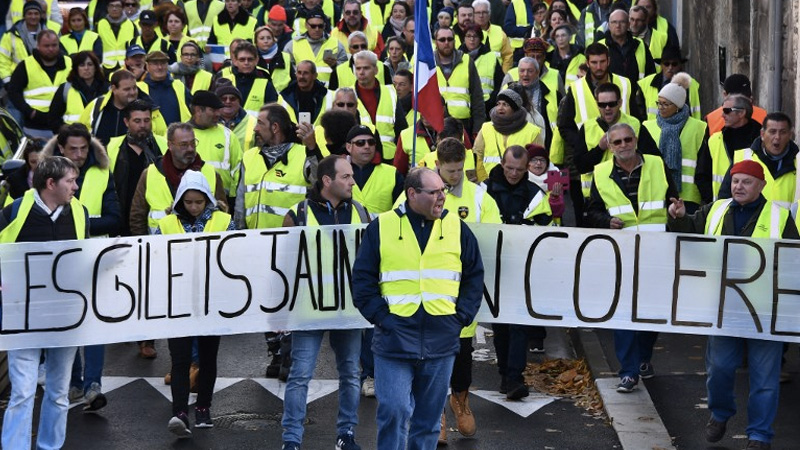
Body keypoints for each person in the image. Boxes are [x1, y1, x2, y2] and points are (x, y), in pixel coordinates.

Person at [667, 159, 798, 450]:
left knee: (765, 377)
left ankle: (759, 435)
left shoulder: (779, 217)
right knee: (720, 369)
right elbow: (688, 234)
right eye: (735, 180)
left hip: (765, 311)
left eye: (746, 182)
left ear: (761, 186)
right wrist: (677, 217)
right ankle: (721, 412)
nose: (738, 186)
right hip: (724, 307)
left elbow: (792, 261)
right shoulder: (715, 209)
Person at [352, 166, 484, 450]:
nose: (442, 197)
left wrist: (459, 318)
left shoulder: (457, 228)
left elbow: (474, 276)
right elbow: (362, 280)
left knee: (428, 422)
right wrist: (383, 319)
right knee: (394, 411)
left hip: (441, 341)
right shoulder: (383, 226)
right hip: (394, 341)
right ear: (412, 194)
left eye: (443, 191)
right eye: (434, 192)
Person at [280, 155, 369, 450]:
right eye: (346, 177)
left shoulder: (361, 211)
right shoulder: (298, 214)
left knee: (350, 375)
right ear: (327, 181)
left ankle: (346, 435)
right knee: (300, 375)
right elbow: (283, 265)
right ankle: (291, 441)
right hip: (310, 310)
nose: (353, 181)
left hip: (349, 311)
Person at [0, 156, 88, 450]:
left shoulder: (80, 213)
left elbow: (85, 256)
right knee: (22, 392)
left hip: (64, 316)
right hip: (23, 316)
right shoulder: (14, 212)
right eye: (70, 181)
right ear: (51, 184)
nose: (76, 186)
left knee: (58, 392)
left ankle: (50, 446)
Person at [584, 123, 677, 393]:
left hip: (655, 253)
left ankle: (643, 358)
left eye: (627, 140)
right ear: (610, 146)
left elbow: (673, 198)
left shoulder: (657, 165)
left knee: (651, 312)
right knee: (623, 313)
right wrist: (606, 221)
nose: (623, 145)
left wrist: (675, 209)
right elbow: (593, 211)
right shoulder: (601, 173)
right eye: (617, 142)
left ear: (635, 140)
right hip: (620, 254)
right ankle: (628, 371)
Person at [129, 122, 227, 358]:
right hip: (161, 254)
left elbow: (223, 213)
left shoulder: (210, 173)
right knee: (156, 302)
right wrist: (143, 249)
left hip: (200, 260)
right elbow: (138, 214)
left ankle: (192, 363)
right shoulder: (150, 174)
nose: (190, 148)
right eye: (183, 144)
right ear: (170, 145)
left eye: (193, 143)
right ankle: (147, 339)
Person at [428, 137, 500, 444]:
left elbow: (496, 234)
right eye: (449, 170)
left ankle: (460, 399)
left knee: (461, 355)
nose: (454, 176)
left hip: (463, 291)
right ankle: (436, 414)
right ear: (437, 166)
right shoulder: (420, 193)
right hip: (429, 291)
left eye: (459, 170)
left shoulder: (480, 197)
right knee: (431, 357)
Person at [155, 170, 234, 438]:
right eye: (188, 202)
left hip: (212, 301)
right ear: (180, 201)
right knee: (179, 359)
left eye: (198, 202)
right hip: (177, 302)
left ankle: (203, 407)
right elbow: (153, 258)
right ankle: (179, 412)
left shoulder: (225, 221)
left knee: (208, 357)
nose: (193, 207)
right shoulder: (165, 224)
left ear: (208, 199)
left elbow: (237, 255)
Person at [481, 144, 552, 397]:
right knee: (500, 325)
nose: (513, 174)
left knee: (519, 323)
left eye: (519, 170)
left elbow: (546, 230)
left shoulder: (535, 194)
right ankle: (505, 374)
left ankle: (514, 377)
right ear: (502, 164)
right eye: (509, 168)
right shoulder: (484, 191)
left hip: (521, 267)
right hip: (492, 267)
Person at [558, 42, 639, 225]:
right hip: (587, 163)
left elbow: (636, 118)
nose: (599, 67)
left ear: (609, 61)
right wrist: (582, 142)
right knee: (586, 220)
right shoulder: (577, 89)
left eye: (602, 62)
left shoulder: (624, 84)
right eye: (594, 63)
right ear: (587, 63)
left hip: (624, 159)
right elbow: (565, 125)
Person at [638, 72, 710, 212]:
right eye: (659, 103)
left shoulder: (699, 128)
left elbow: (704, 165)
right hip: (656, 193)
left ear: (678, 105)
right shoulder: (647, 126)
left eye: (665, 104)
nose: (660, 107)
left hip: (688, 197)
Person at [574, 83, 646, 200]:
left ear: (620, 103)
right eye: (602, 105)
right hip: (598, 195)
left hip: (631, 192)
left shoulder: (635, 125)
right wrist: (599, 149)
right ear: (597, 105)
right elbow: (580, 166)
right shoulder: (587, 128)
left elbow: (651, 158)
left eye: (611, 104)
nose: (607, 108)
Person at [106, 99, 166, 237]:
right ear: (127, 122)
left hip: (155, 221)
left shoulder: (164, 146)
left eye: (147, 120)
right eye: (137, 121)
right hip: (122, 220)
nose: (143, 125)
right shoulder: (112, 148)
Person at [716, 112, 799, 211]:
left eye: (782, 132)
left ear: (790, 135)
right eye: (772, 132)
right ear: (762, 134)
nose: (777, 137)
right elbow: (725, 196)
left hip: (787, 225)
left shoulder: (798, 162)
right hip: (750, 225)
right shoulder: (743, 157)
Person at [5, 30, 69, 139]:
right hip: (35, 127)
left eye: (54, 45)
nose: (51, 49)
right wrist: (30, 112)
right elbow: (13, 92)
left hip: (64, 126)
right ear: (38, 46)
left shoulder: (70, 63)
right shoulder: (25, 65)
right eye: (46, 46)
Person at [698, 95, 761, 201]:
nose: (722, 115)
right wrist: (713, 201)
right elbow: (702, 175)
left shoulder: (761, 141)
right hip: (722, 206)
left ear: (742, 113)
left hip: (754, 206)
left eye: (727, 111)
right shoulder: (715, 140)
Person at [80, 69, 164, 146]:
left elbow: (162, 137)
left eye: (134, 88)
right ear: (114, 89)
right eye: (127, 89)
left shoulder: (149, 109)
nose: (132, 93)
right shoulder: (97, 106)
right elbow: (81, 134)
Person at [474, 88, 543, 181]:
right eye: (498, 104)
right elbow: (477, 156)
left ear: (515, 108)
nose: (500, 108)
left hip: (520, 185)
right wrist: (484, 181)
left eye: (505, 104)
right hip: (489, 184)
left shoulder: (533, 132)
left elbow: (538, 162)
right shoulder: (486, 128)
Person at [349, 50, 406, 161]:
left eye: (366, 68)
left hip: (389, 156)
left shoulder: (391, 92)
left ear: (376, 70)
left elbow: (401, 128)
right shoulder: (348, 94)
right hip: (359, 156)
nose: (361, 72)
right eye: (358, 68)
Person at [188, 90, 242, 201]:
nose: (218, 114)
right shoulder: (180, 134)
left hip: (222, 201)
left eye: (218, 110)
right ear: (198, 110)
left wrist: (233, 200)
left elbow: (238, 170)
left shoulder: (228, 135)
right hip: (189, 201)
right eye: (213, 110)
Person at [434, 26, 486, 138]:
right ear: (436, 42)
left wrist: (477, 128)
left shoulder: (467, 61)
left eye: (450, 39)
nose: (446, 42)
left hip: (463, 125)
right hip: (435, 124)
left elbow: (477, 98)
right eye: (442, 40)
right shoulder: (428, 64)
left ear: (455, 40)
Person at [345, 124, 403, 217]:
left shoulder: (392, 173)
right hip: (348, 231)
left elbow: (402, 209)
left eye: (371, 142)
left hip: (383, 230)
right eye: (360, 143)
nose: (367, 146)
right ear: (349, 147)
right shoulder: (337, 172)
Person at [214, 41, 280, 117]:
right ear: (235, 61)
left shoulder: (266, 85)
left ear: (256, 60)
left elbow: (273, 113)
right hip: (226, 127)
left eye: (250, 59)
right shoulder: (223, 82)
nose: (246, 63)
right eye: (242, 59)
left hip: (255, 128)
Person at [636, 46, 701, 121]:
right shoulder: (645, 83)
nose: (670, 67)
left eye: (674, 64)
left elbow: (694, 112)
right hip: (653, 130)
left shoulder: (691, 84)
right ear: (661, 65)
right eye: (666, 64)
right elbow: (640, 113)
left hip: (684, 129)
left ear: (680, 65)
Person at [285, 10, 348, 87]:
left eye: (320, 26)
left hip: (329, 94)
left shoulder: (336, 44)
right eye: (313, 26)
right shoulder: (292, 45)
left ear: (324, 26)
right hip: (302, 92)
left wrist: (335, 65)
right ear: (306, 25)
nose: (317, 29)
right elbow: (286, 73)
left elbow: (346, 71)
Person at [51, 51, 109, 130]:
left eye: (90, 64)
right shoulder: (65, 89)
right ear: (76, 68)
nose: (86, 68)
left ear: (95, 67)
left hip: (100, 137)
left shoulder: (107, 89)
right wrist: (66, 131)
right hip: (72, 137)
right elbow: (53, 118)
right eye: (82, 65)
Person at [0, 1, 52, 88]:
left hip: (43, 82)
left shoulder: (49, 34)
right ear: (24, 15)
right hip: (16, 81)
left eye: (36, 13)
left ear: (40, 16)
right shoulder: (10, 35)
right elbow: (2, 60)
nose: (33, 17)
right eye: (29, 13)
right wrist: (8, 81)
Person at [595, 9, 655, 82]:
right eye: (614, 22)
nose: (618, 26)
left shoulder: (640, 45)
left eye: (622, 22)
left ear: (628, 25)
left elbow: (651, 74)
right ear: (609, 25)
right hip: (609, 92)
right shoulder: (599, 46)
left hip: (636, 92)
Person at [139, 51, 192, 126]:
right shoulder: (139, 88)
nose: (160, 67)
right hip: (152, 136)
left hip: (180, 135)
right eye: (155, 64)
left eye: (163, 63)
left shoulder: (179, 86)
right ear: (147, 66)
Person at [459, 24, 504, 111]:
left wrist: (491, 101)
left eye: (475, 36)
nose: (472, 39)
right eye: (468, 36)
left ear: (480, 38)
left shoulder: (491, 57)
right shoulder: (456, 57)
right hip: (461, 106)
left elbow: (500, 84)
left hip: (486, 106)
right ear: (464, 39)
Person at [280, 60, 328, 125]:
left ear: (315, 76)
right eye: (299, 73)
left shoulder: (326, 96)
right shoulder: (284, 96)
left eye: (306, 73)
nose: (301, 76)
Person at [95, 0, 138, 72]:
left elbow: (135, 45)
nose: (114, 9)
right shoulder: (100, 25)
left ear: (122, 8)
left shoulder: (131, 25)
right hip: (105, 68)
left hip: (127, 66)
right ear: (107, 8)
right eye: (111, 6)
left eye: (117, 6)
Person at [472, 0, 513, 73]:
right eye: (478, 13)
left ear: (489, 14)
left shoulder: (499, 31)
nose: (481, 16)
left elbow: (508, 55)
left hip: (496, 78)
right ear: (473, 15)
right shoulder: (468, 32)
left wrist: (503, 74)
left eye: (484, 12)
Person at [217, 83, 258, 153]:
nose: (228, 101)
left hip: (245, 163)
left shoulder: (254, 123)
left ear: (239, 102)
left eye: (232, 99)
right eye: (223, 99)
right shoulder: (208, 122)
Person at [254, 25, 292, 92]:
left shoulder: (285, 57)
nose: (266, 41)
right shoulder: (252, 59)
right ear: (256, 42)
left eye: (269, 38)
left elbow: (293, 80)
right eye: (262, 38)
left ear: (273, 40)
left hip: (282, 99)